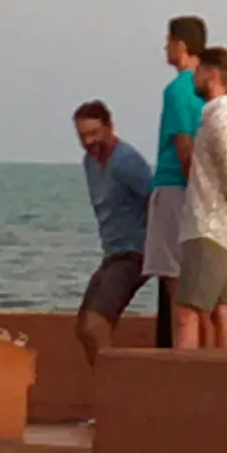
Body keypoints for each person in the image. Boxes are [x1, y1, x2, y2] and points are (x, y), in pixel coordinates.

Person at [175, 47, 227, 352]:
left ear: (211, 75)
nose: (193, 78)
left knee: (188, 312)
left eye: (197, 72)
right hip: (216, 228)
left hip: (208, 227)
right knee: (223, 311)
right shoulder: (218, 119)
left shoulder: (221, 122)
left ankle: (185, 380)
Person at [71, 101, 153, 366]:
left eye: (94, 132)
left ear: (110, 127)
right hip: (113, 253)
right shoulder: (89, 162)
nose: (89, 141)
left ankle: (112, 387)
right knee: (84, 327)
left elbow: (154, 198)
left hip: (135, 252)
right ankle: (106, 379)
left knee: (96, 324)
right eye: (83, 135)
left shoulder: (126, 160)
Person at [145, 15, 206, 347]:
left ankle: (178, 356)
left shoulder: (177, 91)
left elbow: (183, 145)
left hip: (174, 188)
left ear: (180, 46)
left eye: (168, 41)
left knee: (174, 282)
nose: (165, 48)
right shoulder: (208, 89)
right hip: (202, 193)